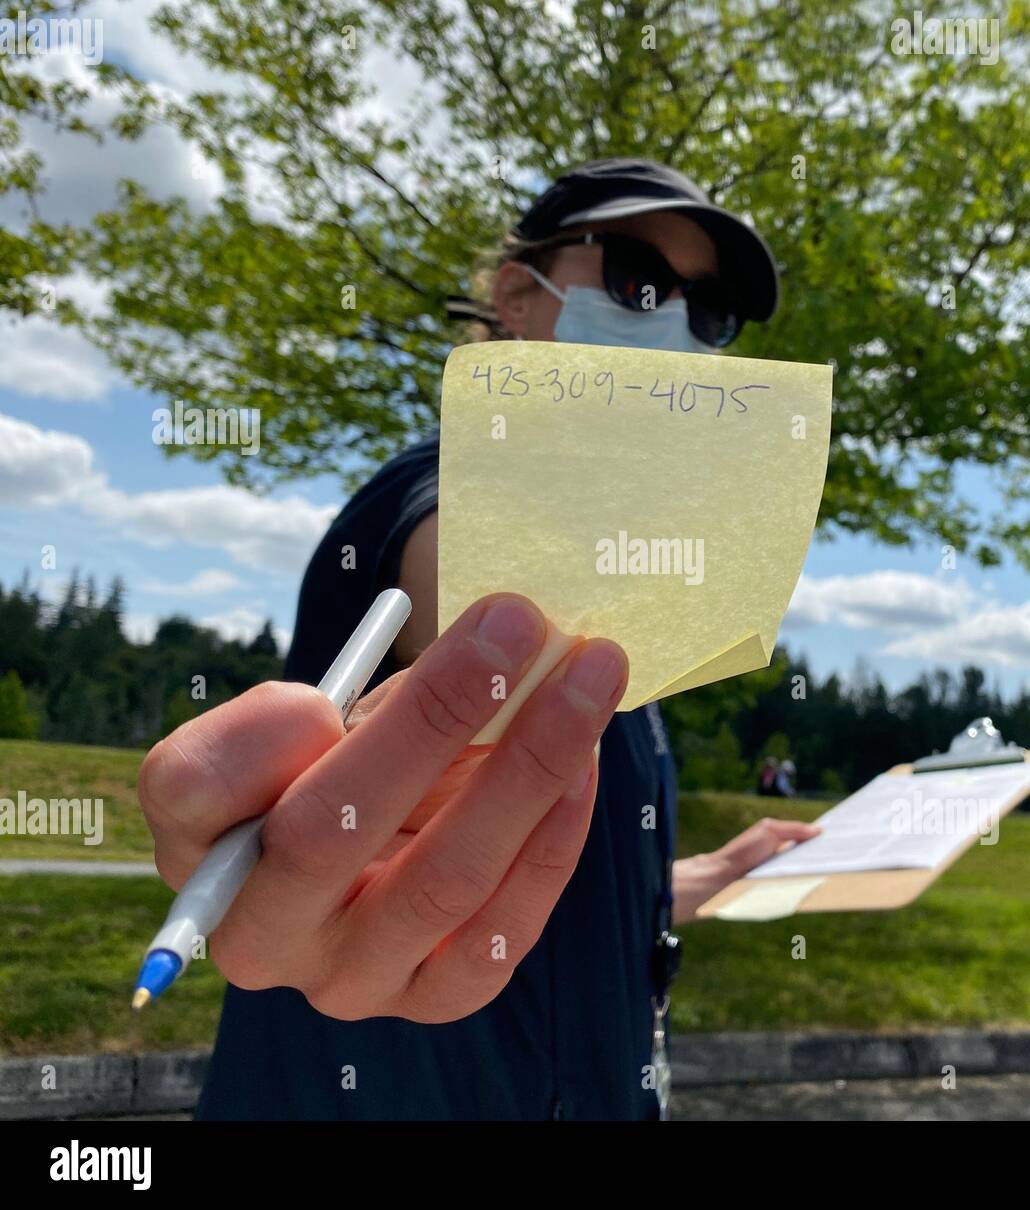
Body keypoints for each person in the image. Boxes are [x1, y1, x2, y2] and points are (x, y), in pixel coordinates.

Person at [139, 158, 820, 1121]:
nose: (672, 325)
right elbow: (464, 577)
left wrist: (702, 878)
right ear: (515, 293)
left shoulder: (624, 607)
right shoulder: (436, 498)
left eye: (708, 313)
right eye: (636, 279)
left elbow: (544, 856)